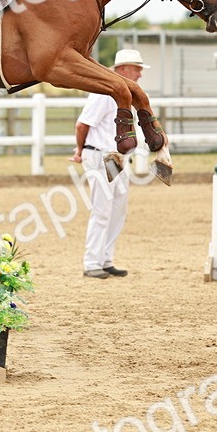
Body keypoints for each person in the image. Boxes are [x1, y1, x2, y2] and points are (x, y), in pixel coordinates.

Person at [69, 49, 149, 279]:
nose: (140, 74)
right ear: (123, 69)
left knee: (117, 209)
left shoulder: (124, 95)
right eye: (137, 69)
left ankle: (105, 258)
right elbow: (82, 124)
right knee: (102, 209)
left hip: (116, 158)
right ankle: (92, 262)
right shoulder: (104, 94)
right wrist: (80, 150)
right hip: (101, 155)